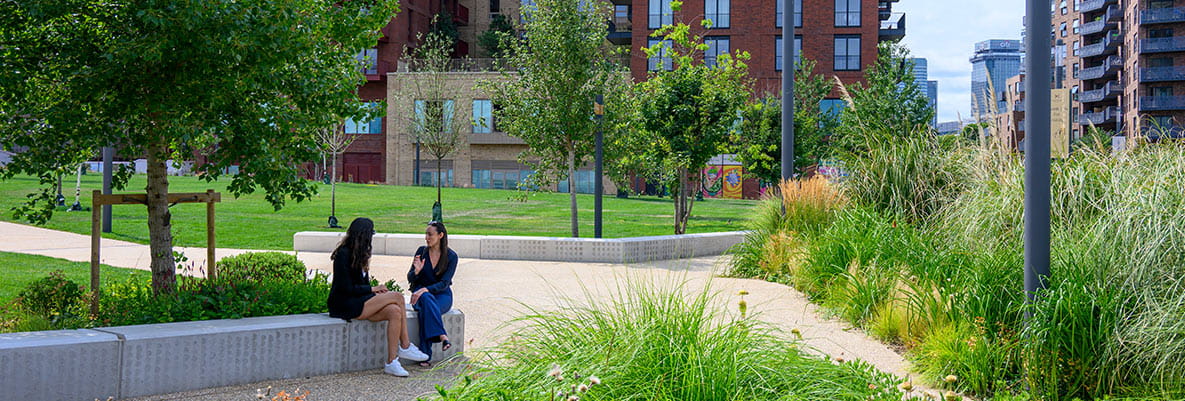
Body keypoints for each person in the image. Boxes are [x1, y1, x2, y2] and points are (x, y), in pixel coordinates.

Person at [327, 217, 430, 377]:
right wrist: (373, 289)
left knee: (394, 311)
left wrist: (374, 292)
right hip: (344, 304)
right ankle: (405, 344)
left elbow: (361, 286)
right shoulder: (343, 254)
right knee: (397, 297)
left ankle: (391, 362)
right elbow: (345, 288)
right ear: (364, 235)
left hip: (359, 301)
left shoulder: (361, 254)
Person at [407, 220, 458, 367]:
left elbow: (444, 283)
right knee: (426, 301)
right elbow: (410, 278)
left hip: (442, 295)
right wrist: (416, 271)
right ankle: (442, 336)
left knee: (426, 309)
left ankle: (425, 354)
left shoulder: (451, 256)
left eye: (430, 234)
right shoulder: (421, 252)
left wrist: (426, 289)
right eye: (426, 234)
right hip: (421, 296)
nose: (426, 237)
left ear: (440, 235)